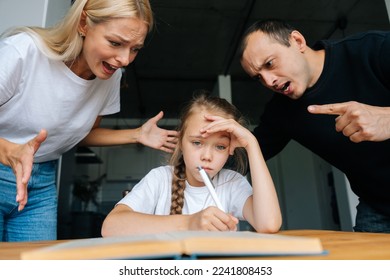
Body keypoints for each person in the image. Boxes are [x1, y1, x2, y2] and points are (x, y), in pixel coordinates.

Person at [0, 0, 178, 242]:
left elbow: (82, 133)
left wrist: (136, 134)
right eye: (115, 43)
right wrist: (9, 150)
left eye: (135, 48)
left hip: (41, 182)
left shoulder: (109, 77)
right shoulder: (24, 51)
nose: (125, 59)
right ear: (84, 23)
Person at [238, 19, 390, 233]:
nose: (269, 81)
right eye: (258, 77)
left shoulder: (373, 49)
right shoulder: (281, 112)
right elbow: (243, 156)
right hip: (377, 206)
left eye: (270, 64)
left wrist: (387, 118)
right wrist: (191, 144)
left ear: (298, 41)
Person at [101, 92, 282, 236]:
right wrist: (190, 223)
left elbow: (269, 224)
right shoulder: (160, 179)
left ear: (230, 149)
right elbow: (110, 227)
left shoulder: (231, 183)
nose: (207, 156)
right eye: (197, 143)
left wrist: (252, 144)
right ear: (180, 142)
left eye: (220, 146)